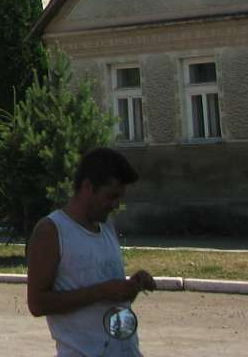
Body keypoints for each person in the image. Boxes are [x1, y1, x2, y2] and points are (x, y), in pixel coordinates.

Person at [26, 147, 157, 356]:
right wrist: (101, 292)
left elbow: (108, 294)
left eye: (120, 198)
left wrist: (131, 287)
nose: (116, 205)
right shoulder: (51, 231)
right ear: (87, 187)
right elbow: (37, 304)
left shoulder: (106, 227)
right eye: (111, 196)